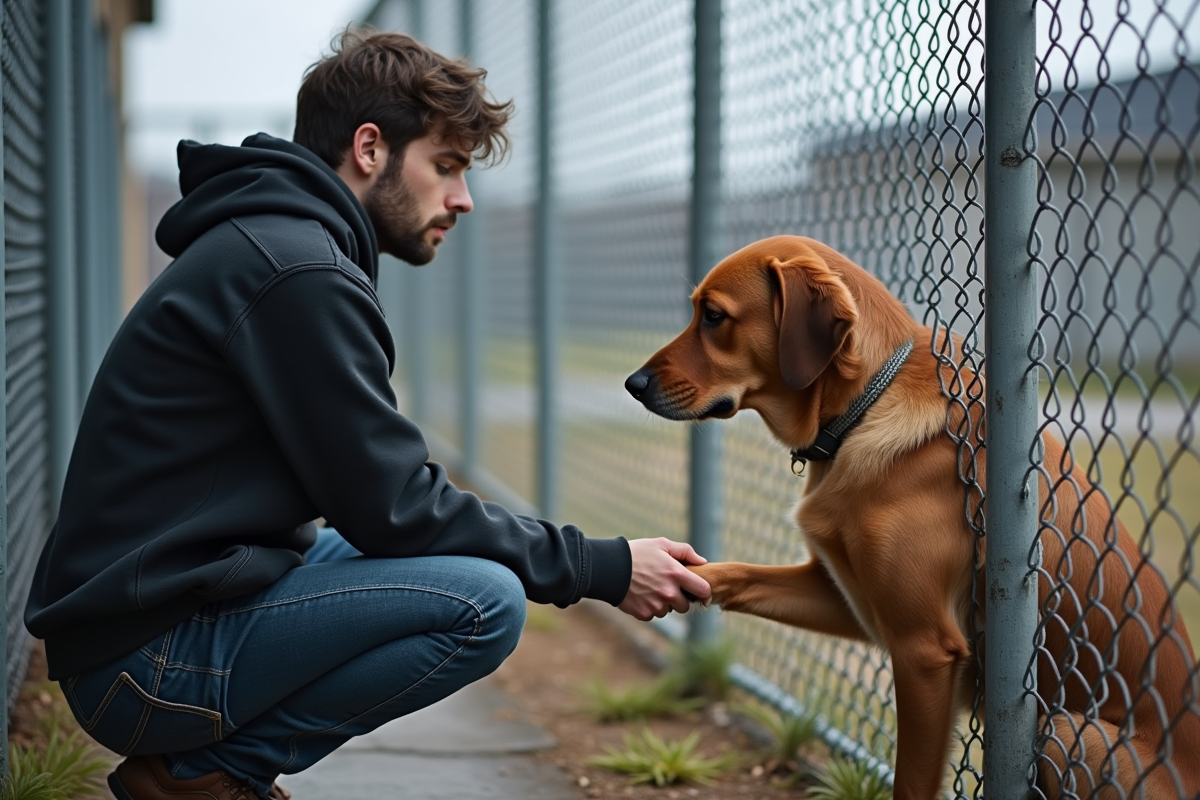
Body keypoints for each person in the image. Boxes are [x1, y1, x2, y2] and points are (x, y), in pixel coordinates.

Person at [24, 29, 711, 800]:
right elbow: (399, 507)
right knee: (483, 603)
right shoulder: (296, 270)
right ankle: (206, 778)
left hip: (164, 612)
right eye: (445, 165)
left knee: (430, 564)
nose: (463, 198)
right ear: (370, 147)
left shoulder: (282, 247)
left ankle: (202, 770)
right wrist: (601, 567)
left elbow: (379, 504)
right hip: (144, 664)